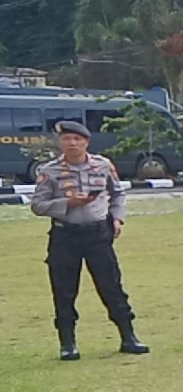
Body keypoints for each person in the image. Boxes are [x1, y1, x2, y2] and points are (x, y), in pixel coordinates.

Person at [30, 120, 147, 360]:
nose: (72, 144)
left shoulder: (103, 166)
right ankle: (68, 344)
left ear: (86, 142)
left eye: (77, 139)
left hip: (98, 235)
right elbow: (38, 206)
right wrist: (67, 204)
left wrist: (117, 218)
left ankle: (128, 336)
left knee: (111, 286)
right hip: (65, 235)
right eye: (66, 139)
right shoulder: (49, 171)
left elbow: (118, 194)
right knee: (64, 290)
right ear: (60, 143)